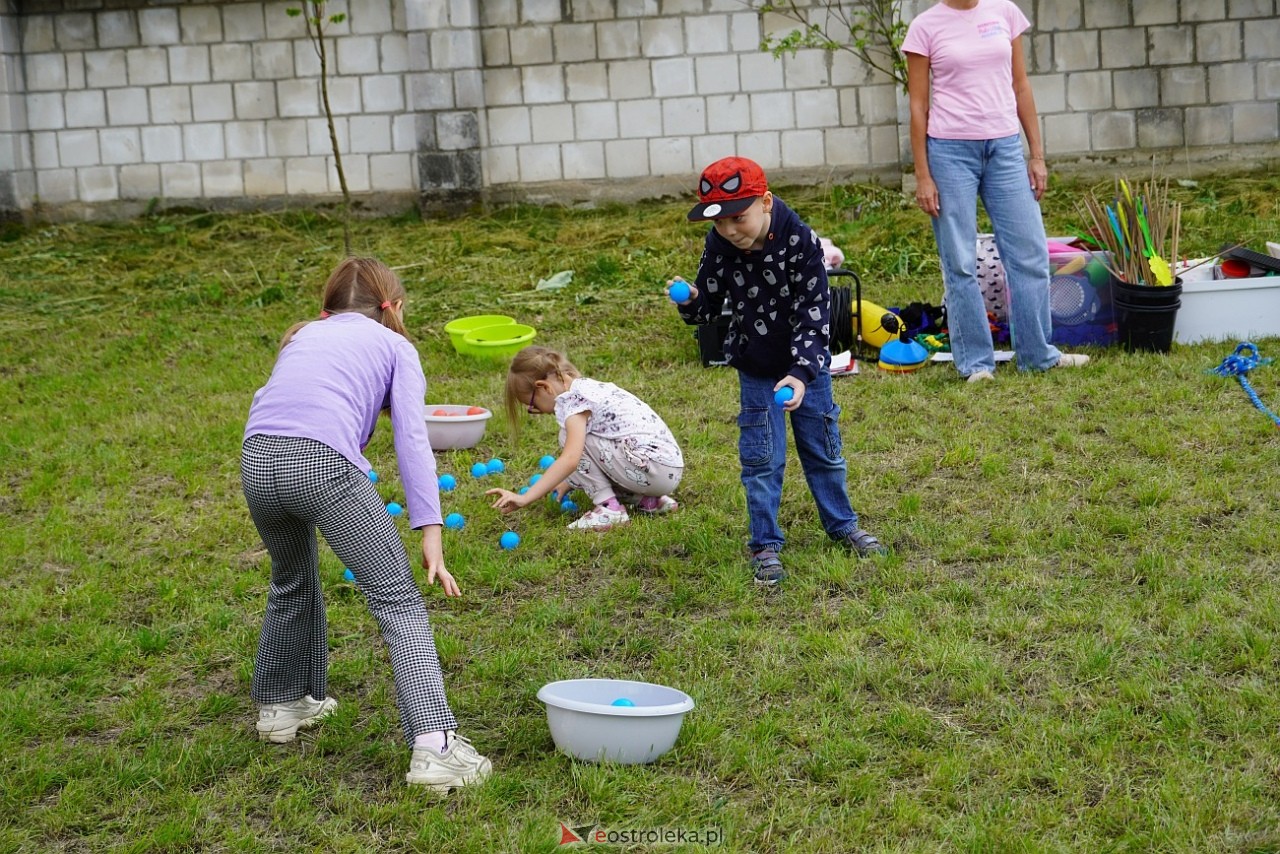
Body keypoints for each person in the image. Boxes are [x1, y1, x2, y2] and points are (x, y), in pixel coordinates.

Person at [240, 256, 490, 792]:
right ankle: (436, 748)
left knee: (290, 580)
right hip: (322, 465)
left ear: (327, 305)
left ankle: (281, 705)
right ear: (393, 307)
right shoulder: (397, 345)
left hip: (256, 459)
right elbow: (412, 441)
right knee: (397, 599)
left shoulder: (304, 334)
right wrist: (431, 529)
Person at [670, 156, 887, 587]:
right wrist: (691, 299)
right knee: (761, 459)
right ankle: (765, 543)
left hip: (806, 370)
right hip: (756, 367)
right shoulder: (720, 245)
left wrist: (803, 373)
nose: (730, 230)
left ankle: (842, 524)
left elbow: (814, 314)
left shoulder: (801, 242)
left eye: (738, 218)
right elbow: (708, 307)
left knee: (824, 451)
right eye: (719, 223)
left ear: (765, 202)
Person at [903, 0, 1089, 382]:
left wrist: (1036, 154)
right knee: (959, 261)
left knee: (1030, 255)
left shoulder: (1004, 12)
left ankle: (1038, 354)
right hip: (950, 152)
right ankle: (976, 364)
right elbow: (918, 106)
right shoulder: (925, 27)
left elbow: (1020, 85)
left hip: (1004, 148)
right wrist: (923, 174)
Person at [487, 346, 683, 531]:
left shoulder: (573, 403)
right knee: (583, 441)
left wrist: (525, 498)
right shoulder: (590, 388)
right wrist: (572, 481)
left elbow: (571, 459)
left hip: (652, 469)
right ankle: (649, 501)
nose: (535, 411)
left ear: (544, 387)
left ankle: (610, 509)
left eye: (532, 405)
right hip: (667, 468)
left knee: (568, 438)